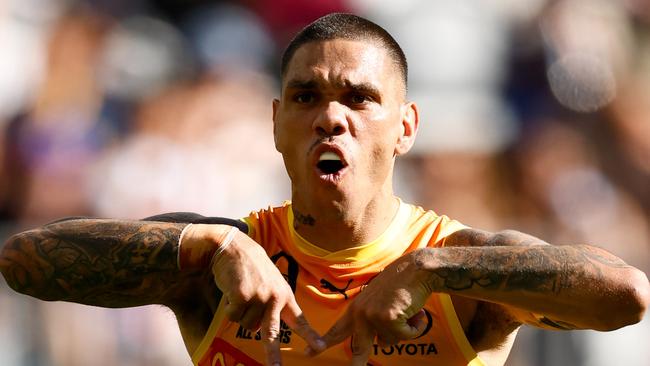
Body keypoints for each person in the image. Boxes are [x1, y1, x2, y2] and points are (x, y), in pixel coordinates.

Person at [1, 13, 648, 366]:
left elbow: (626, 296)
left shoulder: (462, 262)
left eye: (359, 98)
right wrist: (208, 246)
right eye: (307, 97)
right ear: (276, 123)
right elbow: (23, 261)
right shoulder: (225, 259)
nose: (331, 116)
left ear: (405, 127)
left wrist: (432, 268)